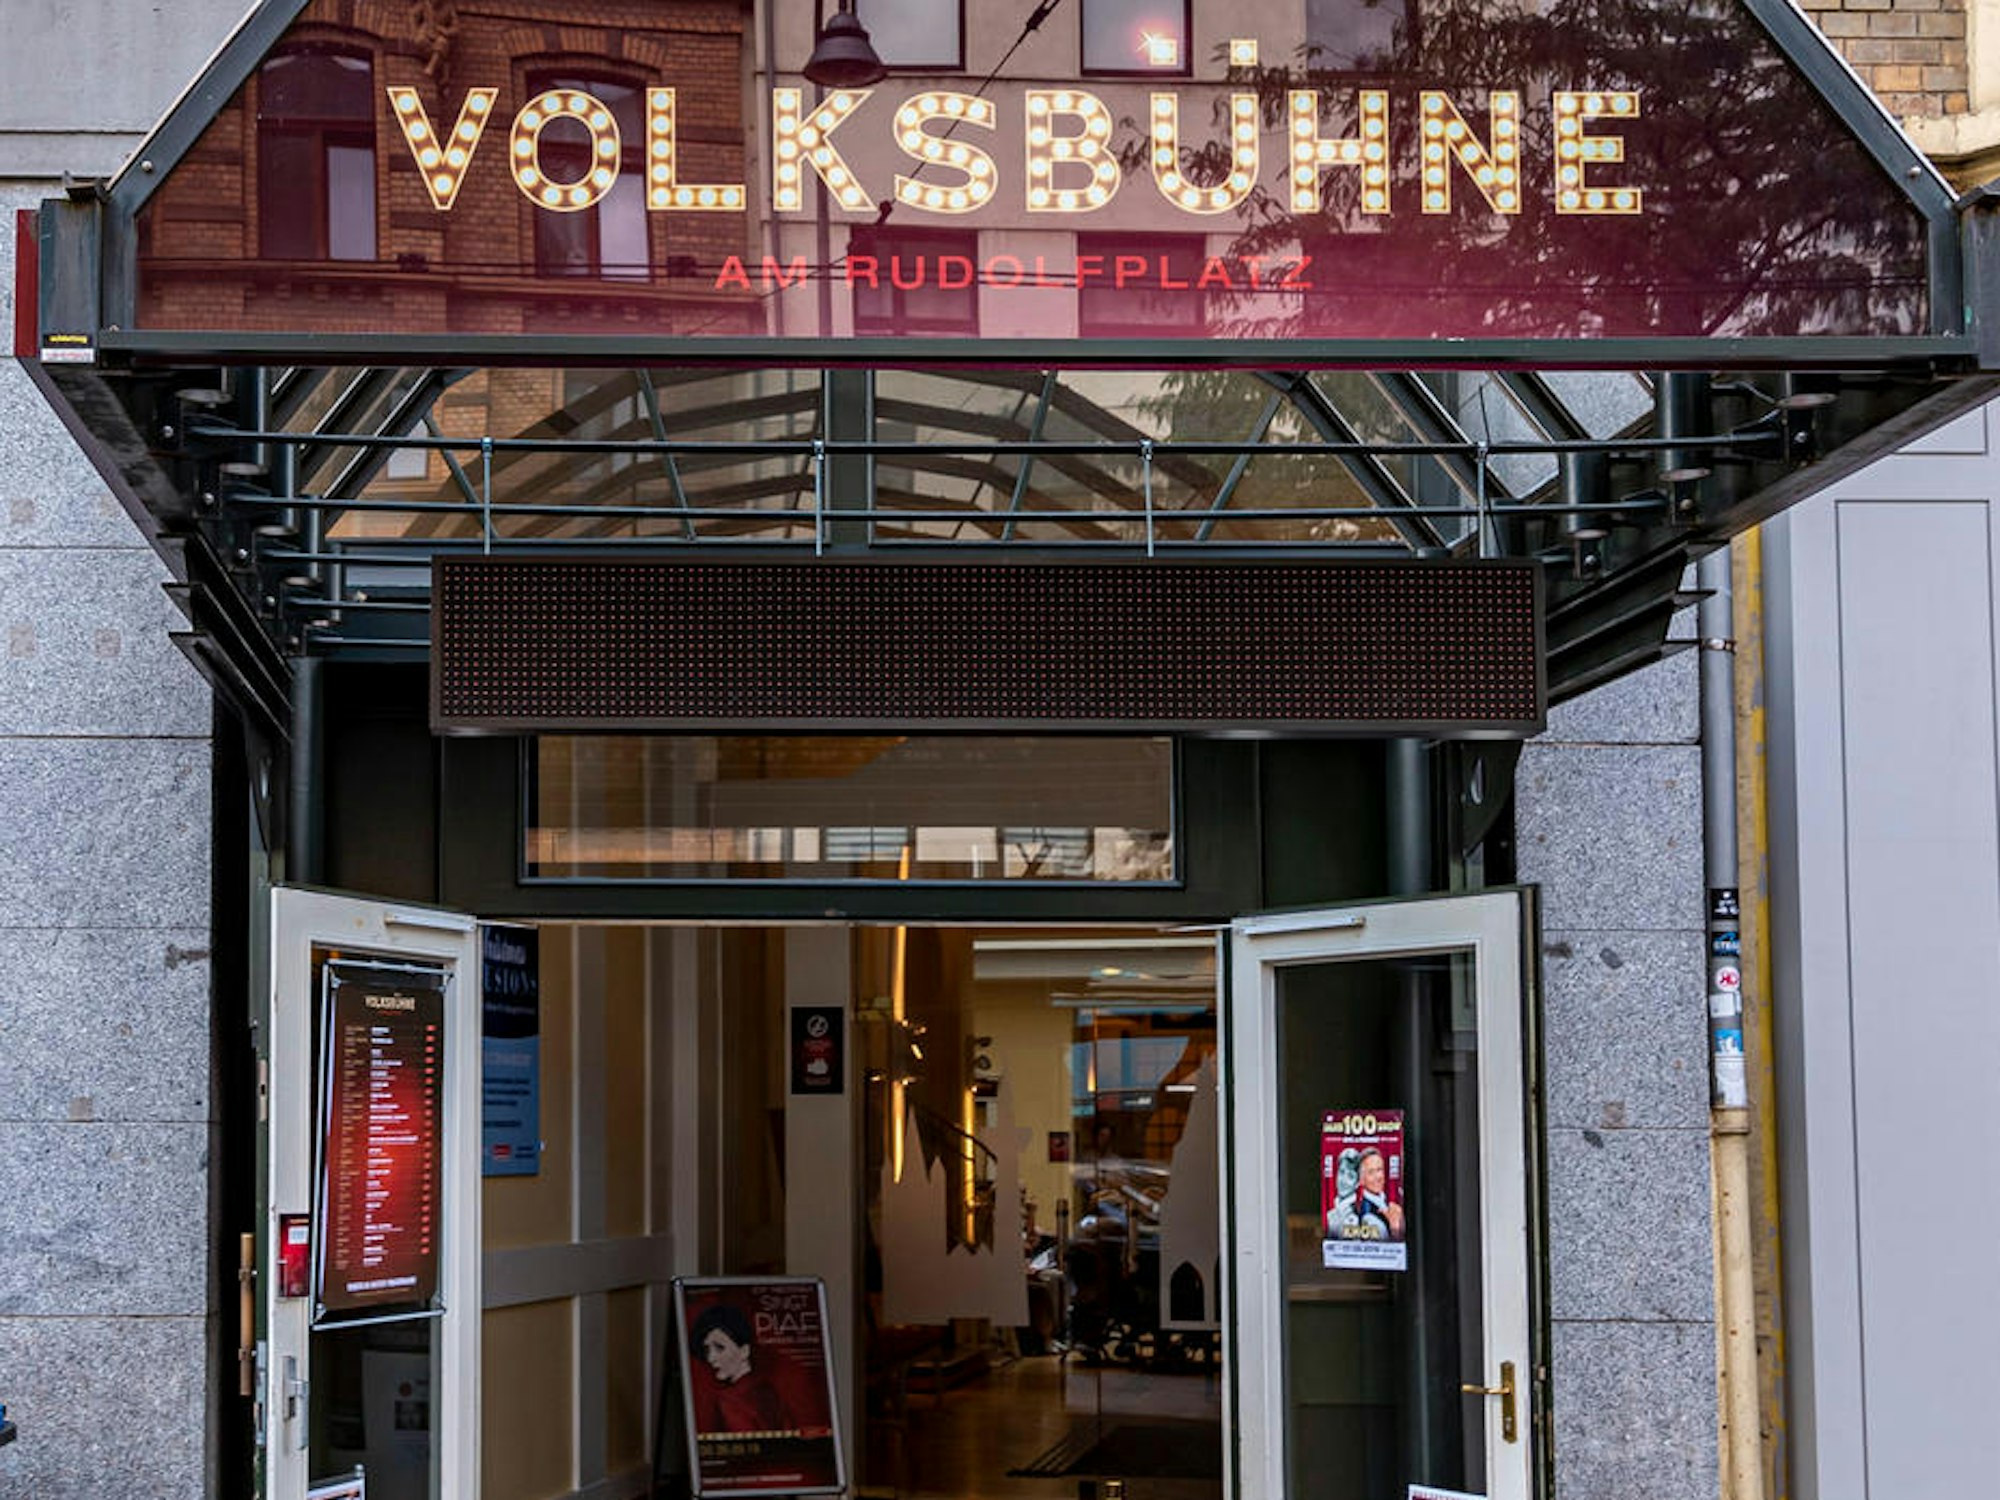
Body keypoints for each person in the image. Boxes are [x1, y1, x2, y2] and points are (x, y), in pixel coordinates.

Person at [687, 1302, 828, 1436]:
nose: (711, 1358)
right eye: (707, 1350)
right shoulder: (768, 1389)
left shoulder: (729, 1401)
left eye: (719, 1348)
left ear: (744, 1351)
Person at [1326, 1147, 1405, 1241]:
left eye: (1379, 1170)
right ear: (1361, 1180)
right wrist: (1394, 1230)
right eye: (1371, 1172)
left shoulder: (1391, 1204)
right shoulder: (1366, 1214)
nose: (1378, 1177)